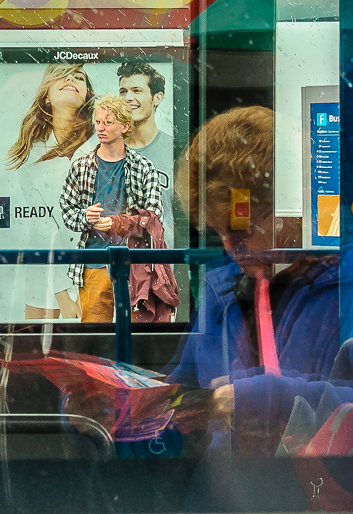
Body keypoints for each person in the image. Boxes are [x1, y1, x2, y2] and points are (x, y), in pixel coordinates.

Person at [161, 106, 353, 509]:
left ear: (291, 206)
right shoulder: (222, 290)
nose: (231, 249)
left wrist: (270, 401)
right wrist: (120, 408)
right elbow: (182, 398)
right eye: (217, 232)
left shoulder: (345, 288)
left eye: (242, 230)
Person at [4, 63, 96, 320]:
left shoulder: (103, 146)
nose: (71, 79)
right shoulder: (31, 156)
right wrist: (63, 293)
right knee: (38, 341)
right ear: (46, 96)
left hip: (94, 268)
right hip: (45, 271)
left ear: (87, 95)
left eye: (78, 77)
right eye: (61, 76)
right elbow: (44, 226)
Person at [60, 95, 162, 323]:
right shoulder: (81, 166)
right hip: (94, 262)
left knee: (136, 334)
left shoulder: (143, 167)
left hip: (134, 264)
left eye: (108, 122)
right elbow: (67, 209)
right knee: (94, 336)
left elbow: (155, 218)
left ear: (125, 126)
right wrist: (86, 218)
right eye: (98, 122)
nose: (100, 128)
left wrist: (120, 223)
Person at [117, 60, 174, 217]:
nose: (128, 98)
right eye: (123, 92)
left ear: (157, 98)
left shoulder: (175, 149)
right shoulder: (105, 150)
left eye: (137, 91)